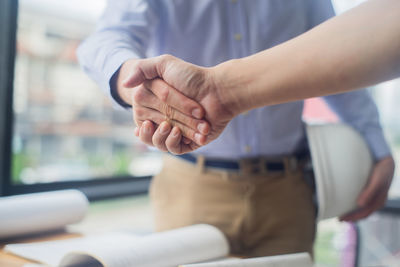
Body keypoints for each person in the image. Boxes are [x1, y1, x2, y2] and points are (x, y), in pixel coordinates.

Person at [78, 0, 395, 257]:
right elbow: (105, 39)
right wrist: (131, 82)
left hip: (287, 192)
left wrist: (379, 149)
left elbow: (338, 55)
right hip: (191, 188)